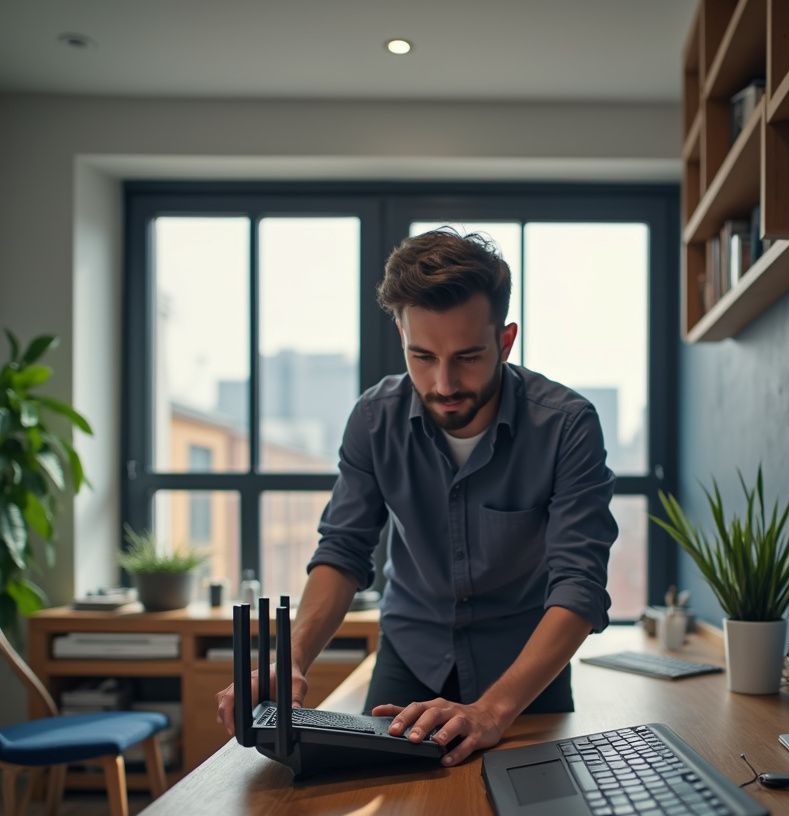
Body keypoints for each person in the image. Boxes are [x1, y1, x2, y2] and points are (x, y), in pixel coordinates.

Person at [217, 228, 617, 766]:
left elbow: (580, 585)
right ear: (401, 337)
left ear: (505, 340)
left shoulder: (566, 426)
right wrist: (290, 659)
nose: (444, 383)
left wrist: (494, 711)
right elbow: (342, 551)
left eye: (469, 357)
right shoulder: (373, 420)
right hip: (411, 657)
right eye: (422, 356)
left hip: (523, 674)